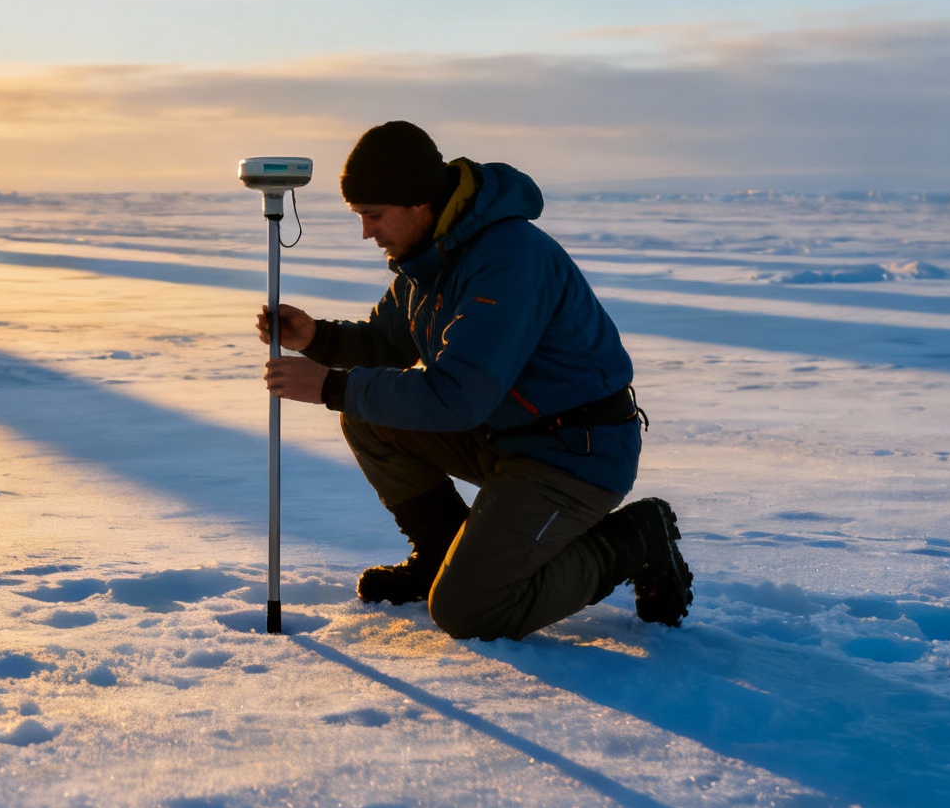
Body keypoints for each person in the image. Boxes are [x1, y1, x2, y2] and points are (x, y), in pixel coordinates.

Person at [259, 121, 693, 640]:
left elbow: (458, 396)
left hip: (574, 452)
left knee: (470, 610)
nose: (366, 231)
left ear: (418, 203)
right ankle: (441, 553)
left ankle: (631, 541)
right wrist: (315, 337)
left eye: (373, 215)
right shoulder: (431, 257)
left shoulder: (509, 259)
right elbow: (386, 341)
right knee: (368, 415)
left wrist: (330, 387)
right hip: (506, 435)